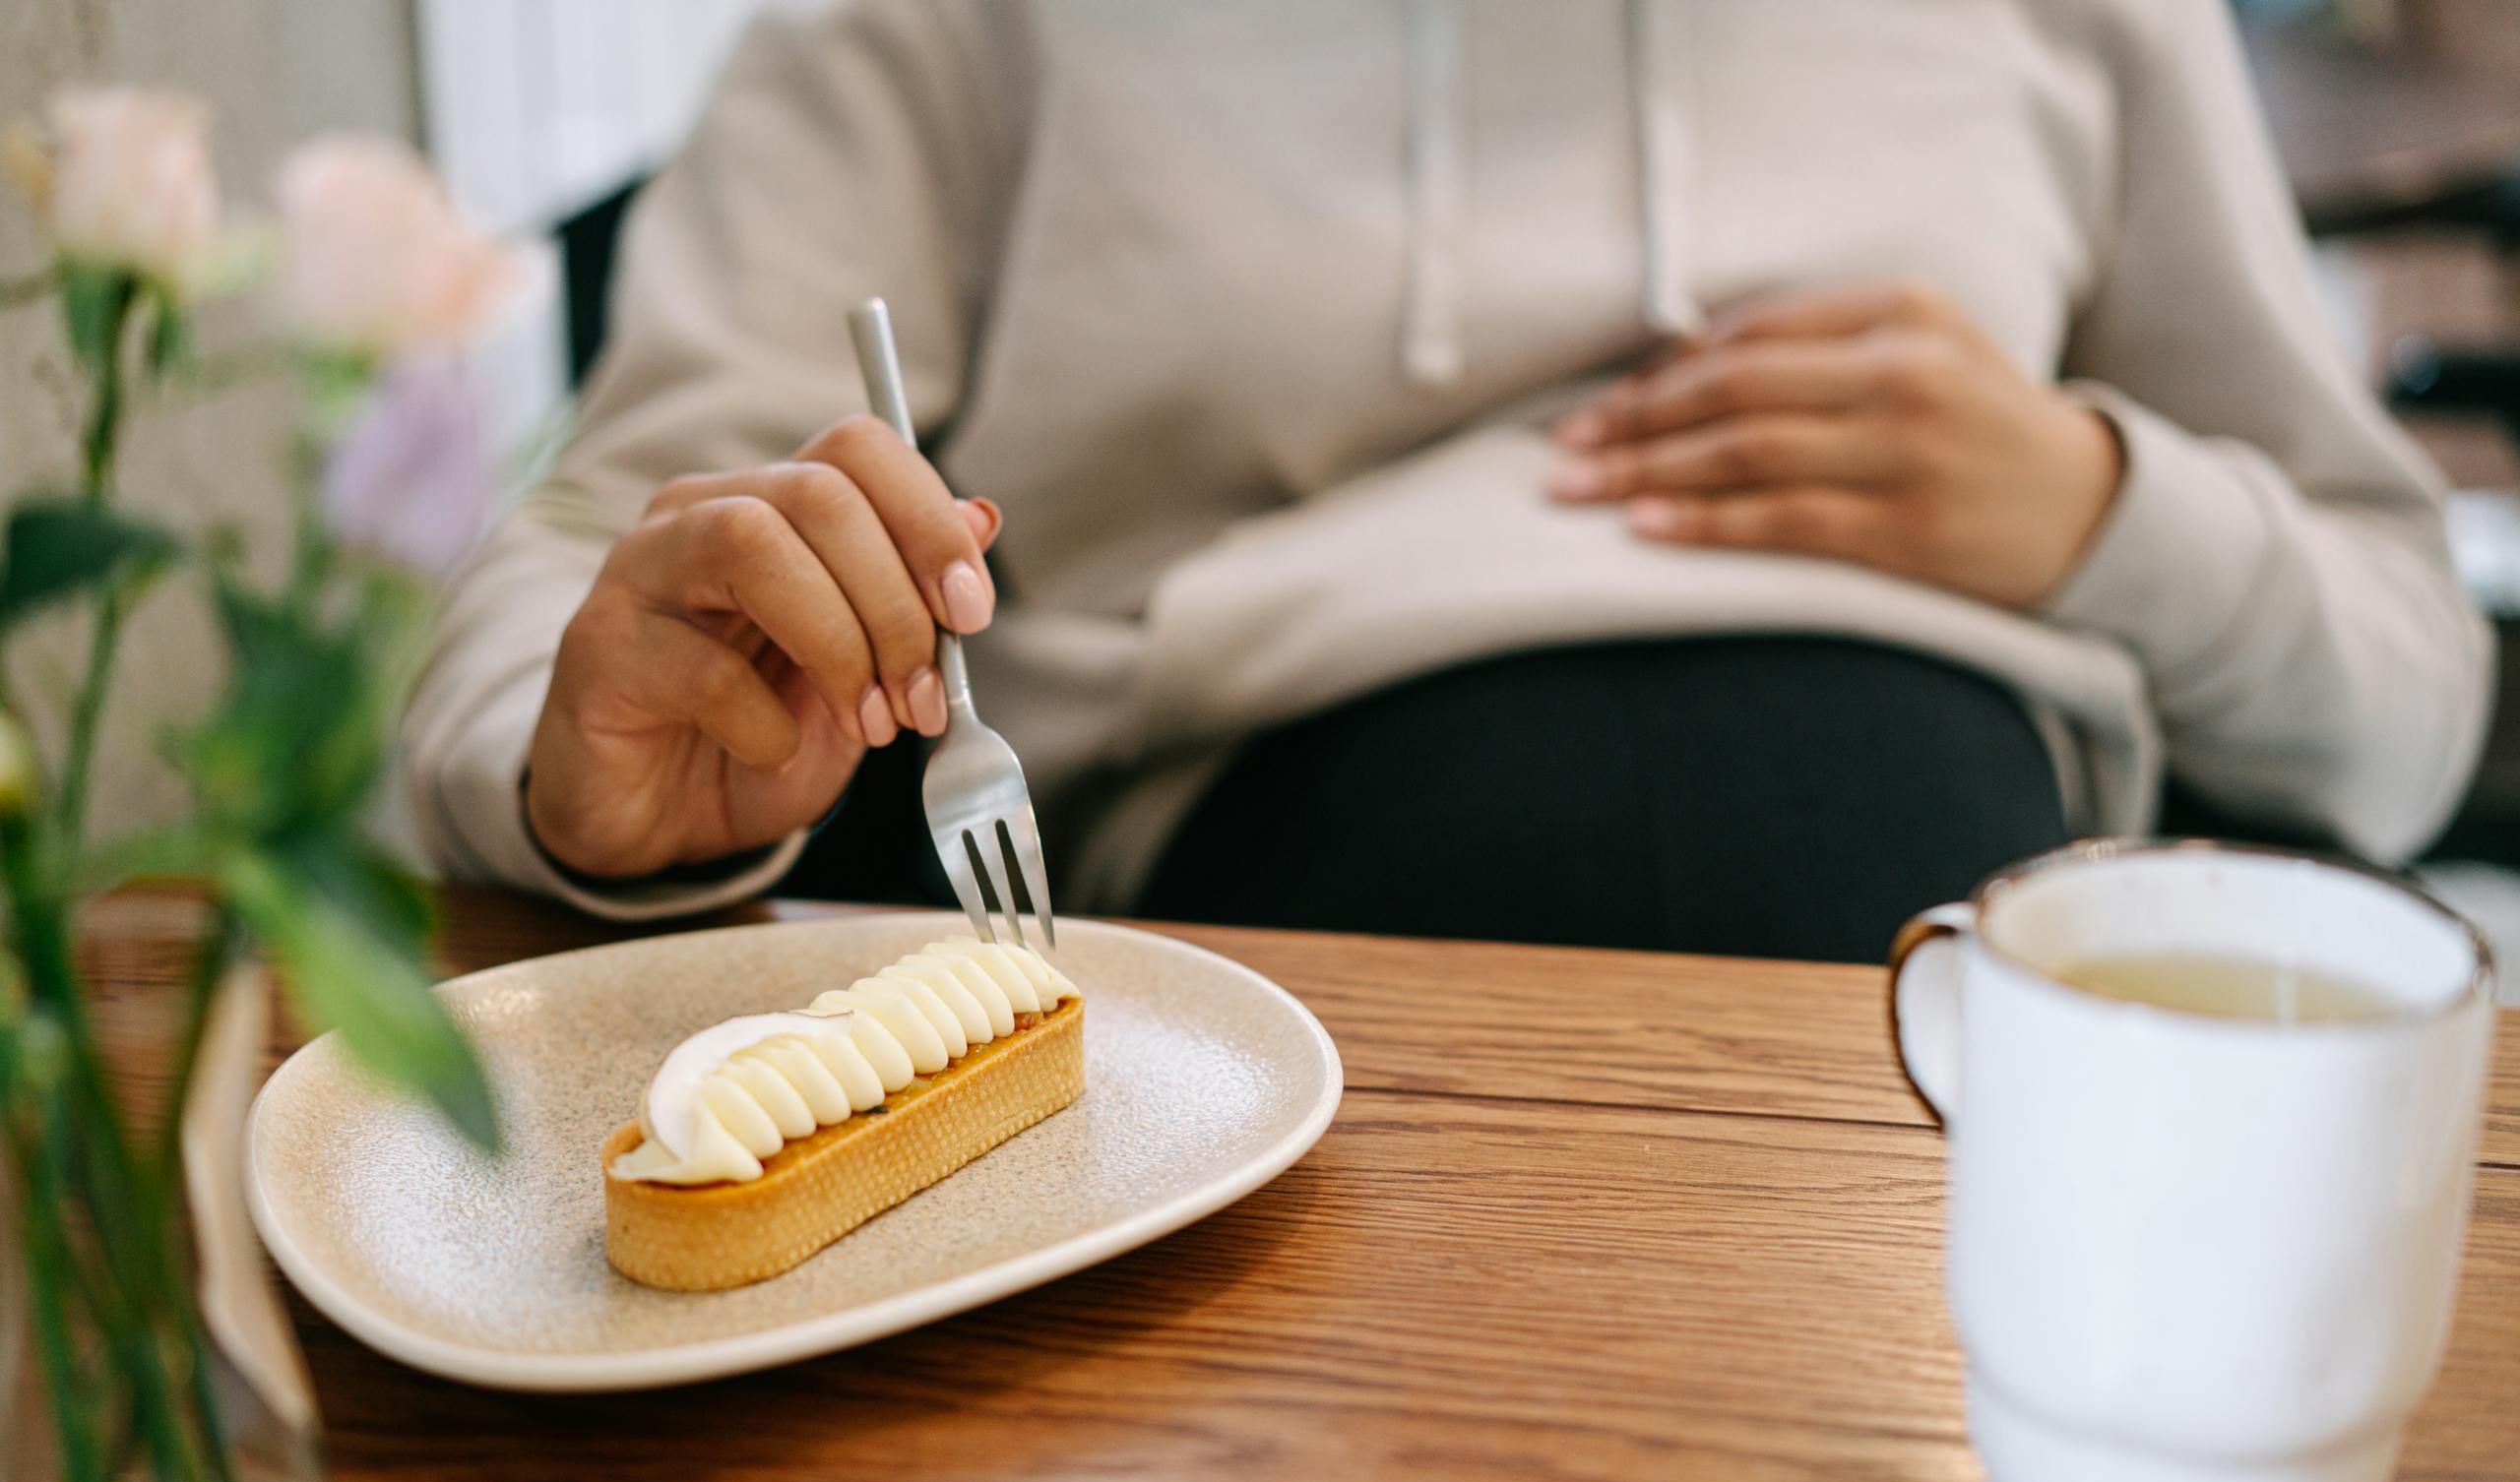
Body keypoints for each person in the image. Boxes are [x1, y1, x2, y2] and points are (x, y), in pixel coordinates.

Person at [404, 0, 2491, 962]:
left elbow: (2411, 705)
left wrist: (2101, 508)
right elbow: (594, 560)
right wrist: (557, 766)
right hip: (1265, 993)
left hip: (1967, 1030)